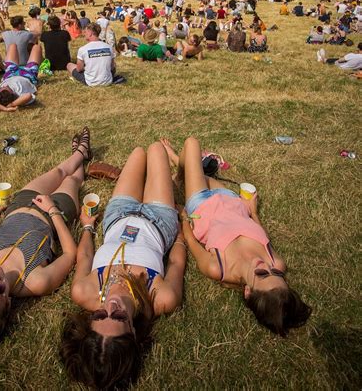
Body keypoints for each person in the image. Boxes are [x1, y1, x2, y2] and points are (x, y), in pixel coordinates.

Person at [0, 129, 92, 366]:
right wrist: (52, 210)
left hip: (20, 204)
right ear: (8, 302)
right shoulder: (34, 281)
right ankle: (82, 153)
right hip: (56, 213)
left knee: (59, 171)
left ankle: (80, 152)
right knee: (72, 179)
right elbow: (71, 254)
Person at [60, 142, 186, 389]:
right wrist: (181, 234)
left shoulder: (84, 292)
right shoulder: (159, 298)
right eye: (118, 316)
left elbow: (84, 258)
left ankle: (165, 180)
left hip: (118, 215)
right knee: (156, 151)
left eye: (100, 314)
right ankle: (170, 180)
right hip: (159, 220)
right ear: (133, 331)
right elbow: (175, 262)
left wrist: (87, 226)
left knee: (139, 152)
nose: (112, 305)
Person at [160, 137, 312, 337]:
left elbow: (190, 240)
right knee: (195, 168)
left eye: (262, 274)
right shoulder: (277, 262)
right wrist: (254, 213)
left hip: (201, 204)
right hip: (231, 200)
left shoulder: (218, 268)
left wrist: (184, 219)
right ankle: (181, 169)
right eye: (275, 273)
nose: (265, 265)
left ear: (248, 291)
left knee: (192, 144)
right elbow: (262, 235)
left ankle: (177, 165)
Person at [0, 43, 40, 112]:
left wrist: (4, 108)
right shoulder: (19, 94)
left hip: (10, 73)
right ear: (13, 94)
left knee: (12, 45)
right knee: (36, 47)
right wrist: (11, 105)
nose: (5, 85)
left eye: (2, 88)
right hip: (28, 74)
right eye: (8, 88)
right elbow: (29, 96)